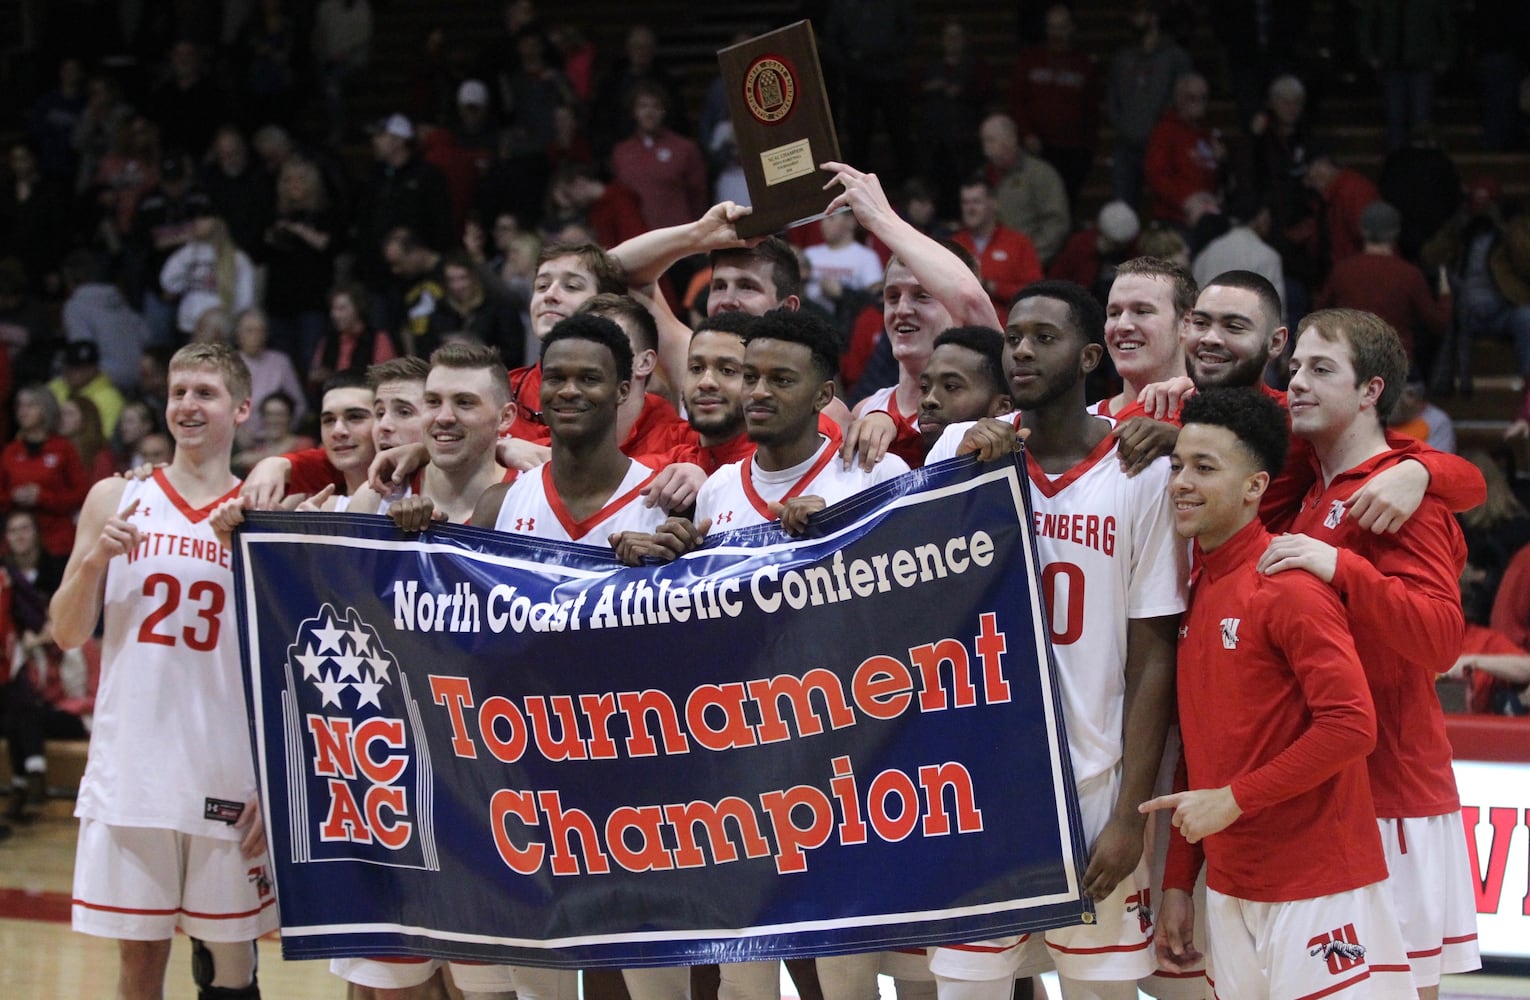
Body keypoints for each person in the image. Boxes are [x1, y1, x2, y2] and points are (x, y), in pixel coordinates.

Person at [924, 280, 1186, 1000]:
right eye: (1013, 338)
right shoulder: (961, 450)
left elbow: (1154, 650)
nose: (1024, 351)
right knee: (968, 988)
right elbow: (916, 608)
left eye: (1046, 337)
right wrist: (966, 484)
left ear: (1090, 356)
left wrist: (1131, 815)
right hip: (978, 787)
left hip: (1095, 784)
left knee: (1100, 989)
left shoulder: (1143, 472)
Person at [1146, 387, 1411, 999]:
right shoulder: (1198, 589)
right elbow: (1201, 744)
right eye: (1179, 465)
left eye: (1205, 468)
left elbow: (1351, 726)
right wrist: (1180, 882)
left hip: (1319, 884)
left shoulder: (1288, 587)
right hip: (1233, 886)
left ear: (1255, 486)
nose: (1182, 482)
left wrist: (1234, 800)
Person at [1258, 308, 1481, 996]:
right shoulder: (1309, 487)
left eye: (1322, 369)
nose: (1297, 381)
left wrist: (1340, 567)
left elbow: (1441, 641)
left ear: (1371, 391)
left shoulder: (1398, 494)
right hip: (1332, 791)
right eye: (1294, 366)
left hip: (1394, 796)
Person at [51, 343, 274, 1000]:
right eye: (178, 392)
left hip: (225, 769)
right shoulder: (117, 496)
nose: (187, 405)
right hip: (135, 768)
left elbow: (283, 664)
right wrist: (93, 561)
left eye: (204, 392)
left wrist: (273, 778)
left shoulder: (262, 512)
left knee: (230, 966)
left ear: (240, 407)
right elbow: (66, 631)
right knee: (140, 963)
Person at [1317, 201, 1450, 370]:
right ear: (1396, 233)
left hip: (1350, 365)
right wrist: (1445, 293)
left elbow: (1320, 315)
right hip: (1395, 368)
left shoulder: (1341, 271)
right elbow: (1438, 323)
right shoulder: (1409, 274)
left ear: (1362, 231)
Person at [1, 385, 89, 557]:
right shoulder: (10, 451)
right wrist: (13, 497)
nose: (23, 411)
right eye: (19, 405)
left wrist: (43, 497)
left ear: (46, 409)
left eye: (30, 405)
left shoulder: (63, 448)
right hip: (18, 542)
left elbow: (82, 494)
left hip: (57, 540)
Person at [979, 113, 1069, 263]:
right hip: (989, 262)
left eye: (991, 141)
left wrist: (1028, 257)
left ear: (1011, 139)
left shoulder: (1040, 174)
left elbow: (1056, 224)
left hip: (1029, 264)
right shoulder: (982, 175)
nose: (986, 149)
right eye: (984, 142)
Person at [952, 175, 1044, 317]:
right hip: (961, 329)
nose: (970, 209)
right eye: (965, 203)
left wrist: (992, 286)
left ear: (994, 204)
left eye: (976, 202)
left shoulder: (1019, 243)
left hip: (1007, 330)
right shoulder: (954, 244)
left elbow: (1035, 294)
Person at [1143, 74, 1224, 227]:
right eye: (1193, 98)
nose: (1200, 103)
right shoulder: (1165, 131)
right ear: (1180, 99)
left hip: (1206, 215)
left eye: (1204, 98)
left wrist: (1221, 160)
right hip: (1175, 218)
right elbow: (1157, 176)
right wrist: (1186, 199)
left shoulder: (1207, 133)